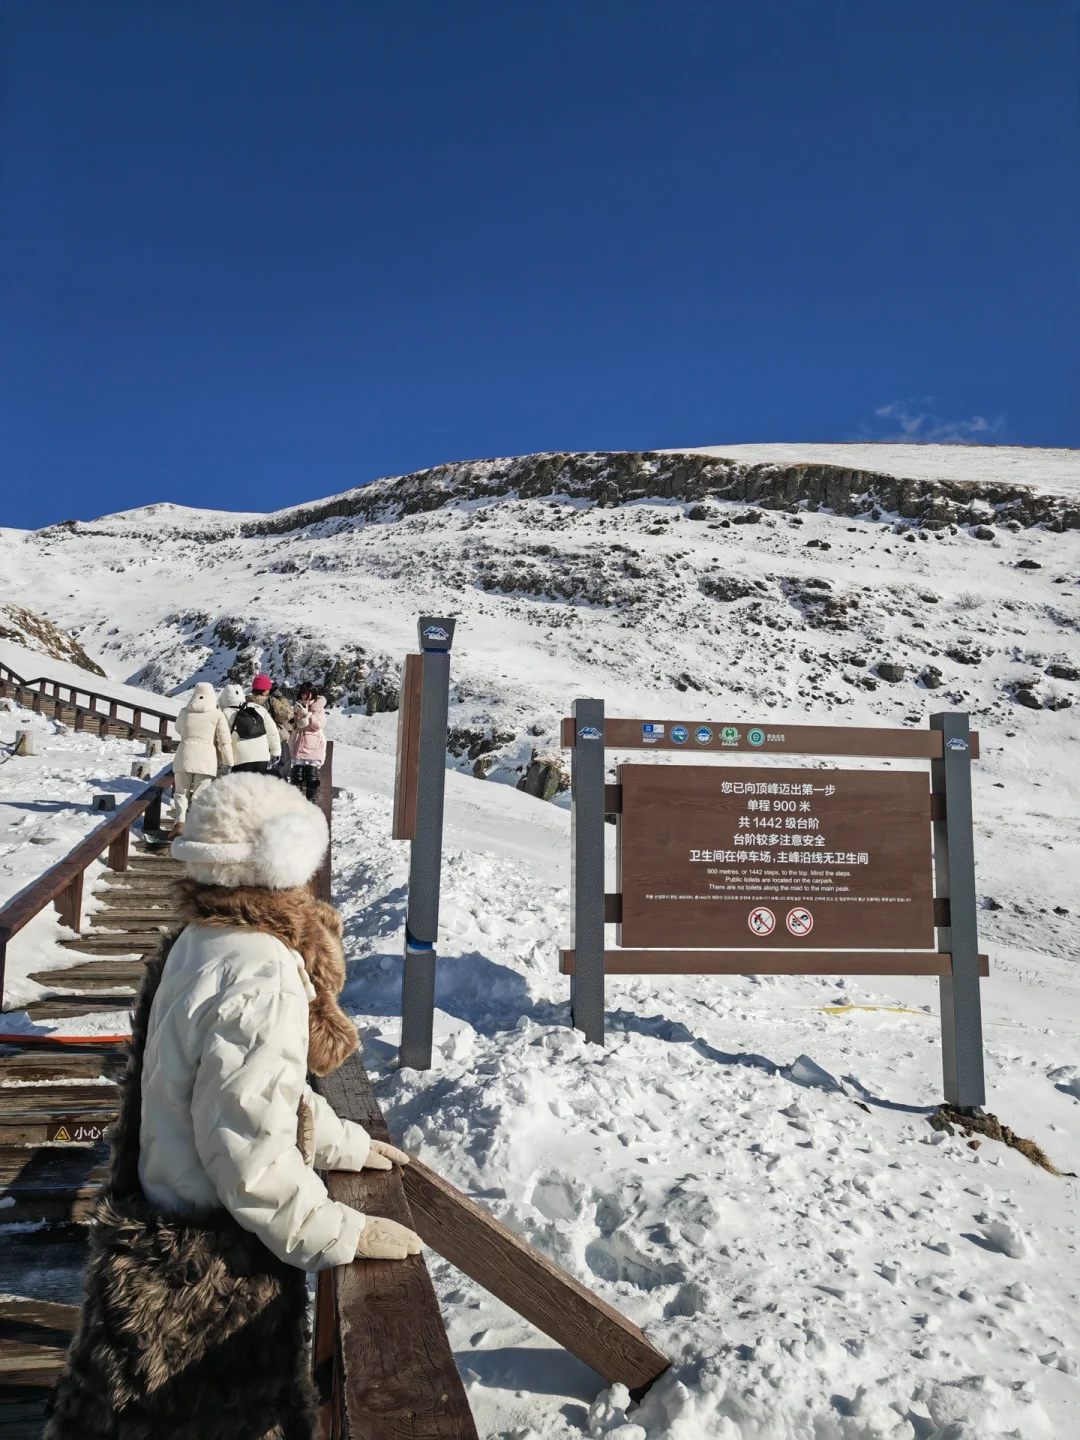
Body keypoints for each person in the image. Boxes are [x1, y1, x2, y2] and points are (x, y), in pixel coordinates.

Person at [45, 773, 421, 1440]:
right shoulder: (260, 968)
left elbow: (255, 1093)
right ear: (286, 855)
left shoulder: (202, 940)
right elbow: (245, 1144)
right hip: (211, 1273)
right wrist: (335, 1231)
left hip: (160, 1224)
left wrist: (342, 1143)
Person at [170, 682, 232, 836]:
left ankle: (179, 822)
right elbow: (224, 740)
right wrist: (228, 761)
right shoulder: (217, 715)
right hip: (206, 757)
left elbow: (178, 729)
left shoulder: (184, 711)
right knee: (200, 794)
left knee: (181, 793)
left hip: (184, 754)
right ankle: (195, 826)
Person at [227, 673, 283, 775]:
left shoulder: (227, 712)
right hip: (262, 755)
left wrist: (225, 761)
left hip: (240, 758)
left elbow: (223, 740)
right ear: (266, 690)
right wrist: (276, 752)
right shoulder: (264, 706)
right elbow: (273, 731)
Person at [290, 682, 327, 803]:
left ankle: (311, 801)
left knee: (311, 775)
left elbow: (319, 725)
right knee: (296, 775)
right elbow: (292, 725)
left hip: (313, 745)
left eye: (307, 693)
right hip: (298, 744)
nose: (304, 696)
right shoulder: (298, 706)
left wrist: (308, 715)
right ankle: (296, 802)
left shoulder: (318, 708)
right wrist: (295, 718)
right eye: (303, 693)